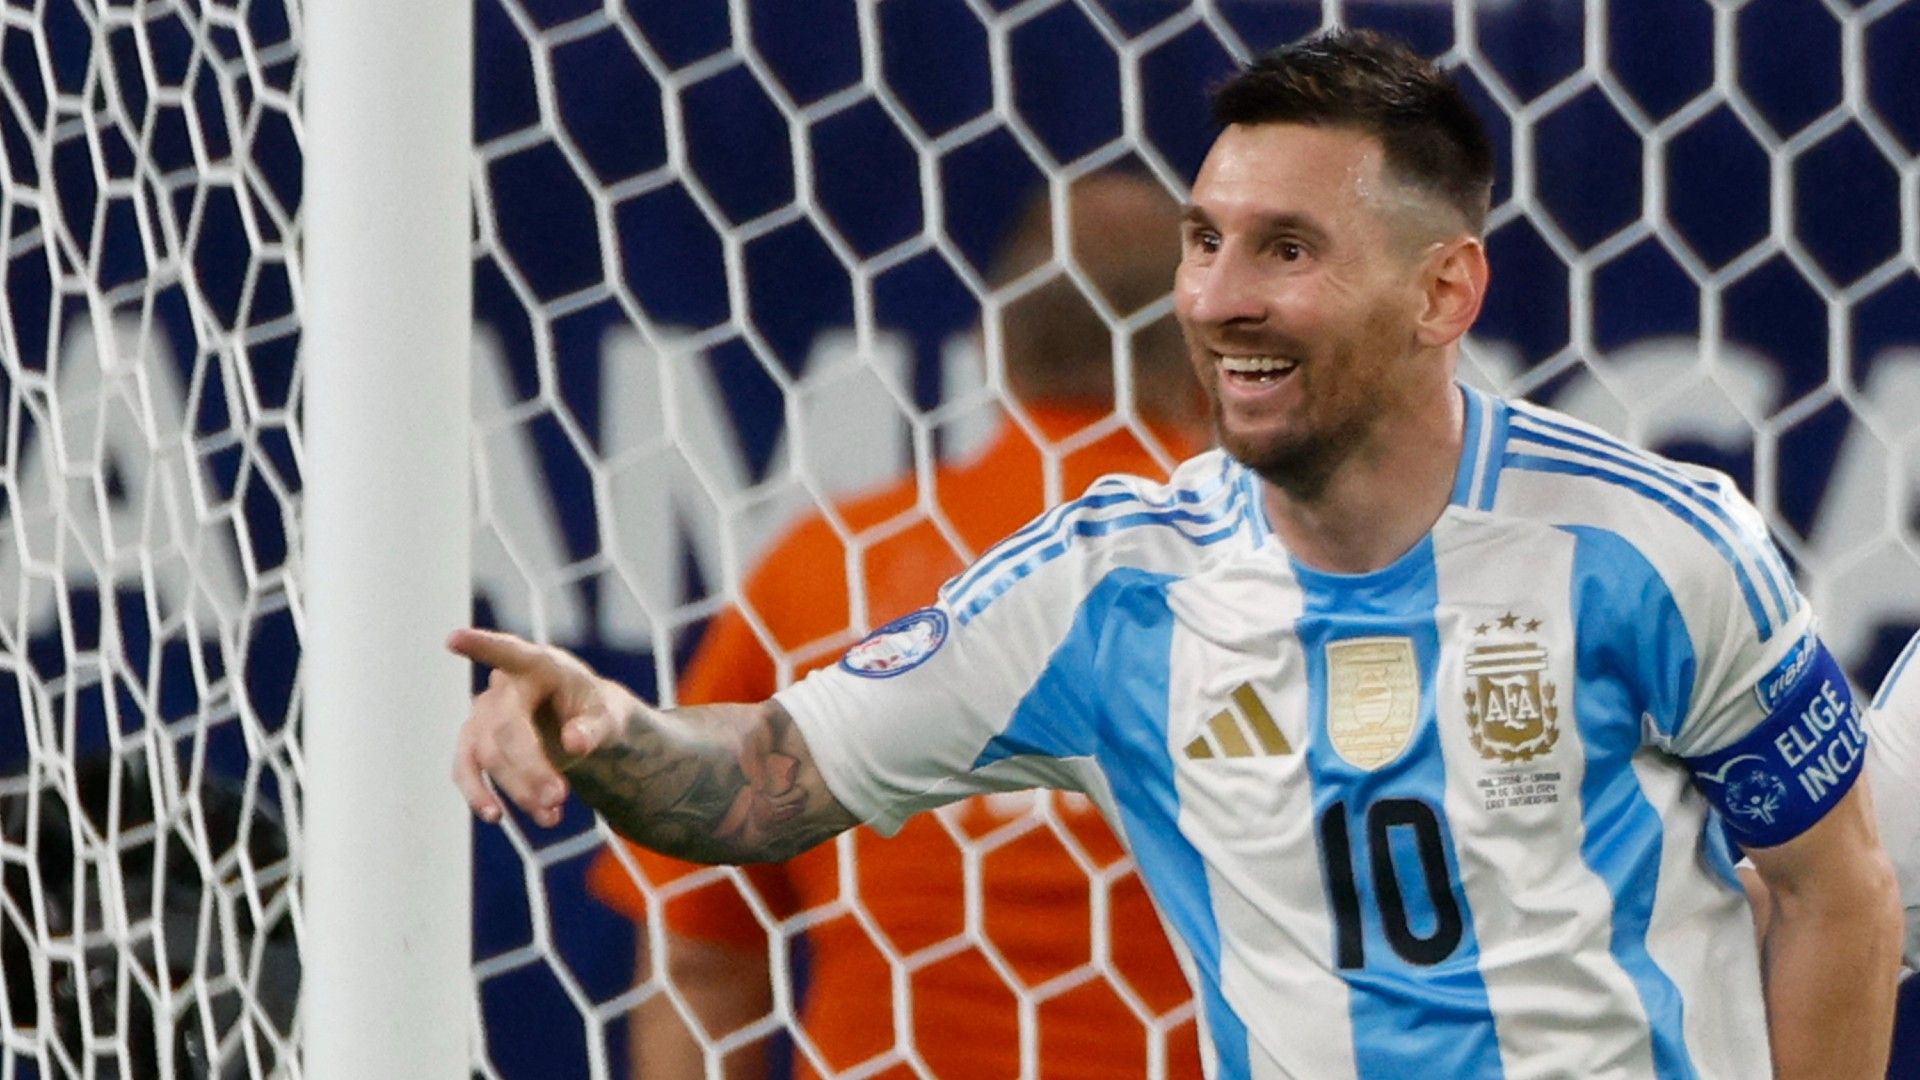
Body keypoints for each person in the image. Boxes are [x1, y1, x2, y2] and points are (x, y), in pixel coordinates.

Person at [451, 29, 1904, 1078]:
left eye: (1287, 249)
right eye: (1206, 244)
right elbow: (758, 784)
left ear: (1445, 288)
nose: (1216, 297)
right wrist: (602, 727)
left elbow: (1835, 887)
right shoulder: (1107, 592)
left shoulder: (1655, 546)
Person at [582, 172, 1210, 1080]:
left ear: (993, 344)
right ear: (1210, 353)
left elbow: (700, 959)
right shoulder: (1279, 570)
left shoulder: (830, 565)